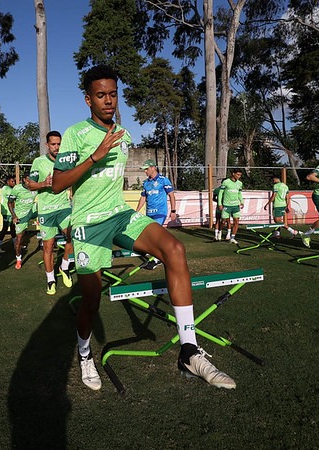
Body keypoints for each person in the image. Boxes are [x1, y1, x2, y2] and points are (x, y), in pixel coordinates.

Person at [52, 64, 235, 391]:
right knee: (91, 300)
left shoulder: (124, 135)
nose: (108, 100)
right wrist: (95, 156)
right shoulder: (74, 134)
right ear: (88, 100)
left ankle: (189, 350)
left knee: (174, 249)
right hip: (88, 224)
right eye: (100, 95)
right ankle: (84, 353)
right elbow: (56, 185)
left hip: (119, 214)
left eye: (112, 94)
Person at [26, 131, 74, 295]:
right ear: (47, 145)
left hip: (63, 207)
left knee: (73, 235)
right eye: (53, 144)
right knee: (48, 247)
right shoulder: (38, 162)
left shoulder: (66, 162)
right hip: (46, 211)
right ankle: (50, 279)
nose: (57, 147)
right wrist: (44, 184)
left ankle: (64, 267)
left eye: (59, 144)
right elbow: (30, 185)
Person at [135, 159, 176, 269]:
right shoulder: (146, 183)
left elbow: (172, 195)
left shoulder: (163, 180)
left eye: (146, 169)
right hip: (149, 213)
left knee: (155, 235)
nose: (145, 171)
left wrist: (173, 211)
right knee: (148, 234)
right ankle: (157, 253)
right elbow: (143, 197)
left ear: (153, 168)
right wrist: (136, 211)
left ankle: (157, 259)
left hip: (160, 213)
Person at [8, 176, 37, 270]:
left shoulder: (35, 187)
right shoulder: (17, 188)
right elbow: (9, 203)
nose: (31, 182)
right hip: (21, 216)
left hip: (32, 211)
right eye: (29, 180)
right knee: (19, 239)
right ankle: (18, 258)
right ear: (24, 180)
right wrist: (14, 216)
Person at [264, 174, 298, 239]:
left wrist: (267, 204)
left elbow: (273, 196)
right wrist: (287, 206)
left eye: (273, 179)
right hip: (283, 204)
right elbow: (287, 197)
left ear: (276, 179)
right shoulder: (285, 186)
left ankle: (292, 231)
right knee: (279, 220)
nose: (273, 180)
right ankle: (277, 234)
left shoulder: (276, 186)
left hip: (277, 205)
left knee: (277, 221)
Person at [217, 168, 244, 245]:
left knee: (236, 221)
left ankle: (232, 237)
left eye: (240, 175)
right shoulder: (226, 182)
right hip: (227, 205)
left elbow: (239, 193)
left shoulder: (240, 183)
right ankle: (220, 231)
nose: (239, 176)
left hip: (235, 205)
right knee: (224, 221)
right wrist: (220, 204)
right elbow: (220, 193)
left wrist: (242, 201)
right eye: (238, 175)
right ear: (233, 174)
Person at [0, 175, 17, 253]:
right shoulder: (7, 189)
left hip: (10, 212)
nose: (14, 183)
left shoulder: (10, 189)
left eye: (14, 181)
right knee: (5, 228)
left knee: (12, 227)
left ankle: (16, 244)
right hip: (7, 212)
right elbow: (11, 201)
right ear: (8, 182)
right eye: (12, 181)